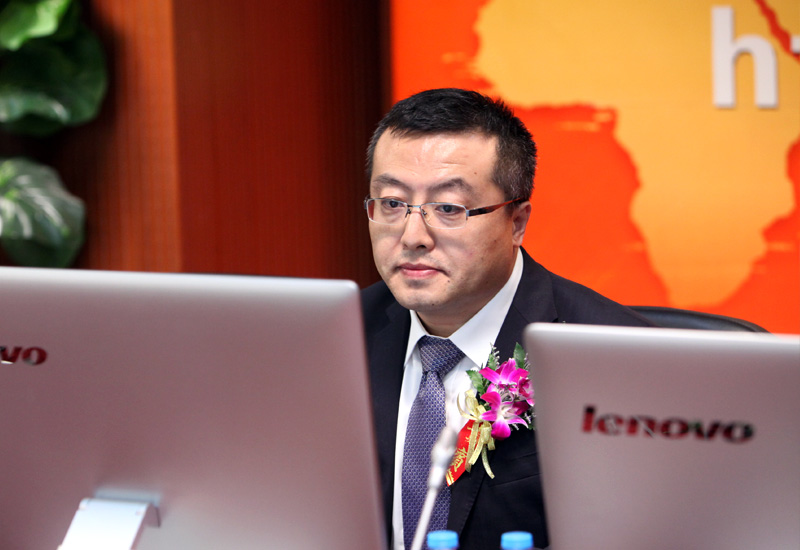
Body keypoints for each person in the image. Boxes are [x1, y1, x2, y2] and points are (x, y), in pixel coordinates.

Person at [361, 88, 653, 550]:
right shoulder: (339, 340)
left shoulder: (617, 360)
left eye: (448, 208)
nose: (412, 236)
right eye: (393, 204)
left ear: (516, 222)